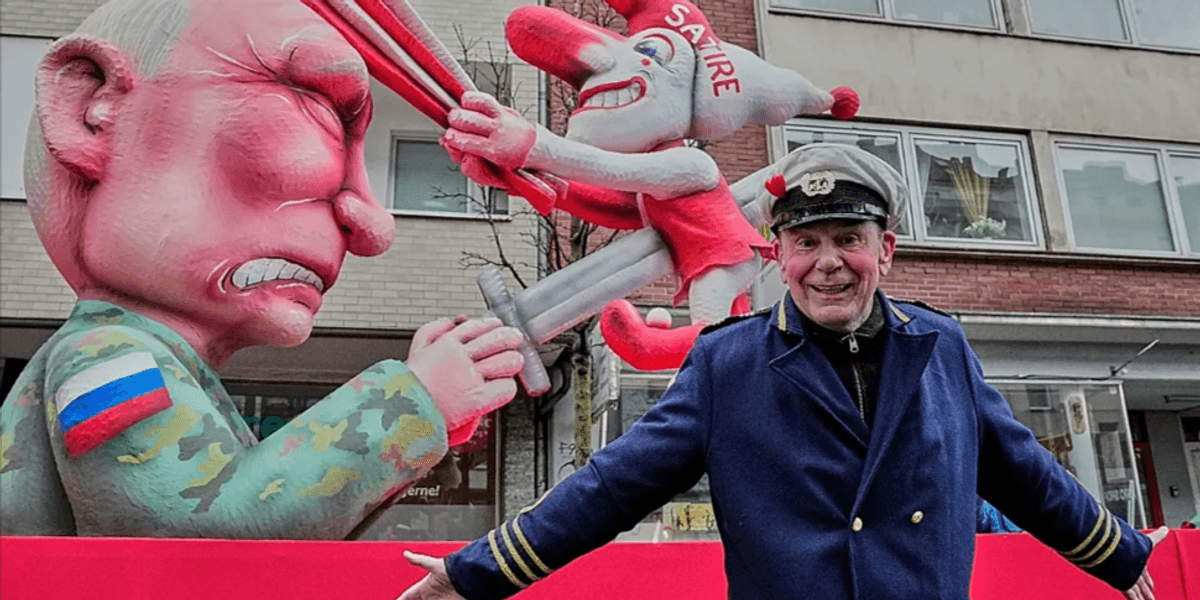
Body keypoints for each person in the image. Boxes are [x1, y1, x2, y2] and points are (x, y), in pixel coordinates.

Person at [399, 143, 1168, 600]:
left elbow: (1023, 471)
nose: (828, 262)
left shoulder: (941, 347)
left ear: (886, 250)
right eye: (807, 242)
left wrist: (1121, 553)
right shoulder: (727, 363)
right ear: (779, 255)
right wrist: (477, 573)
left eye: (848, 238)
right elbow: (611, 487)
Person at [0, 0, 525, 538]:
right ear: (91, 110)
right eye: (321, 115)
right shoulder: (105, 357)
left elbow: (277, 538)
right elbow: (196, 538)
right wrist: (412, 402)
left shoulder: (154, 364)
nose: (373, 226)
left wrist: (419, 417)